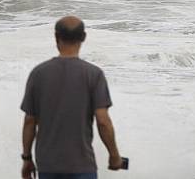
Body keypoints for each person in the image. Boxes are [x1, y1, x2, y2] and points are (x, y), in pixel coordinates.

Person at [20, 16, 122, 179]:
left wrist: (26, 159)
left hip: (48, 166)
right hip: (82, 165)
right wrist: (114, 155)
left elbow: (29, 121)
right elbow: (103, 121)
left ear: (56, 37)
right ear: (83, 37)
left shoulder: (39, 73)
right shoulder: (93, 74)